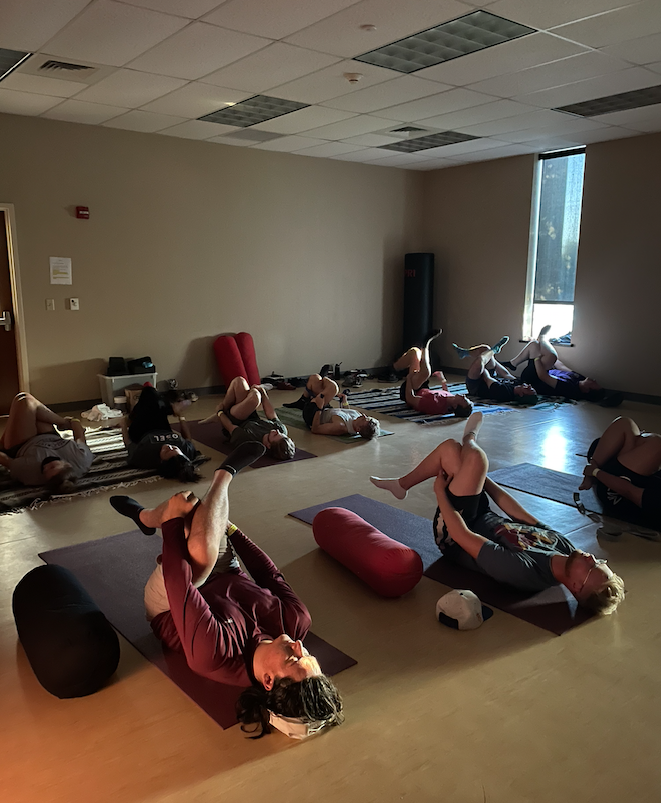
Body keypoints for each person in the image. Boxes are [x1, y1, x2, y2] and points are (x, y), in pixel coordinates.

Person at [109, 442, 343, 739]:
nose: (299, 644)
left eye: (294, 658)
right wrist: (230, 530)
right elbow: (269, 574)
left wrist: (171, 525)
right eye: (307, 653)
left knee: (199, 547)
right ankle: (146, 517)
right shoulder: (296, 622)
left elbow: (179, 584)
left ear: (268, 681)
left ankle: (221, 477)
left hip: (169, 601)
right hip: (224, 567)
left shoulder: (216, 655)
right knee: (196, 515)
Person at [370, 412, 625, 614]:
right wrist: (484, 481)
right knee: (451, 452)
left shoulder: (526, 572)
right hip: (478, 514)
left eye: (593, 568)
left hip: (453, 534)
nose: (593, 558)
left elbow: (460, 535)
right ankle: (401, 485)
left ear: (577, 588)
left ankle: (470, 436)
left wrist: (440, 492)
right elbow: (518, 514)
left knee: (466, 455)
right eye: (600, 562)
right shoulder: (565, 547)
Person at [579, 416, 661, 533]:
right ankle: (593, 468)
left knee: (656, 443)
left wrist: (595, 472)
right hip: (621, 476)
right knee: (625, 423)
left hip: (613, 491)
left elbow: (628, 490)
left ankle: (592, 470)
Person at [0, 392, 93, 492]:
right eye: (52, 467)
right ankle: (61, 422)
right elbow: (80, 435)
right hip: (49, 435)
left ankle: (61, 422)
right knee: (36, 414)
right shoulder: (82, 460)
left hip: (22, 444)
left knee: (24, 400)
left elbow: (5, 460)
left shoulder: (29, 472)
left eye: (44, 471)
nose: (45, 467)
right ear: (68, 464)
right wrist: (73, 421)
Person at [503, 325, 605, 402]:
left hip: (534, 379)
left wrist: (537, 358)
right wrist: (549, 360)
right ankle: (513, 363)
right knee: (535, 345)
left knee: (550, 355)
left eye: (595, 384)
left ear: (587, 390)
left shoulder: (570, 388)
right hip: (542, 370)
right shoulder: (580, 378)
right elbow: (561, 366)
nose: (595, 380)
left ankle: (542, 337)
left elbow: (543, 376)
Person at [121, 385, 201, 483]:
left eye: (167, 451)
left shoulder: (143, 458)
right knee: (155, 402)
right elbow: (188, 438)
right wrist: (181, 417)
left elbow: (128, 444)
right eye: (175, 448)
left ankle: (134, 416)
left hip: (141, 432)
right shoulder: (185, 452)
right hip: (163, 428)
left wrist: (124, 424)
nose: (169, 446)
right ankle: (171, 409)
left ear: (162, 461)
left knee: (148, 395)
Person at [211, 377, 295, 461]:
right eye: (280, 433)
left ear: (268, 445)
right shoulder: (281, 429)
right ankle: (254, 391)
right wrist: (263, 393)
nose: (277, 431)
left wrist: (220, 413)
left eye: (275, 435)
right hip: (250, 415)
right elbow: (271, 413)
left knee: (254, 398)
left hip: (234, 420)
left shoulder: (249, 440)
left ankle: (223, 409)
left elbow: (230, 426)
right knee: (239, 381)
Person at [396, 331, 473, 418]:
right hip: (422, 387)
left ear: (456, 406)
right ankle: (393, 369)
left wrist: (409, 379)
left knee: (426, 372)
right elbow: (446, 394)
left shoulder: (434, 405)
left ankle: (426, 344)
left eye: (464, 400)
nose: (464, 396)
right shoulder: (451, 401)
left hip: (410, 390)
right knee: (414, 352)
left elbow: (410, 399)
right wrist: (442, 380)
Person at [291, 371, 379, 440]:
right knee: (315, 379)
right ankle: (305, 398)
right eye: (366, 416)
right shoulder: (357, 418)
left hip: (313, 414)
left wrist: (319, 408)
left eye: (364, 419)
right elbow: (346, 412)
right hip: (326, 408)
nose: (363, 415)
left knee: (333, 388)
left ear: (358, 429)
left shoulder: (340, 427)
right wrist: (344, 402)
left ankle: (306, 397)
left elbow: (315, 429)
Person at [451, 339, 538, 405]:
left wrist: (485, 362)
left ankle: (493, 350)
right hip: (490, 377)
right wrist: (492, 359)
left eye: (529, 390)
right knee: (485, 349)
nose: (529, 386)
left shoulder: (504, 393)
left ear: (522, 395)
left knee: (479, 362)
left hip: (476, 386)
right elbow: (505, 373)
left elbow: (487, 377)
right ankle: (464, 353)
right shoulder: (519, 383)